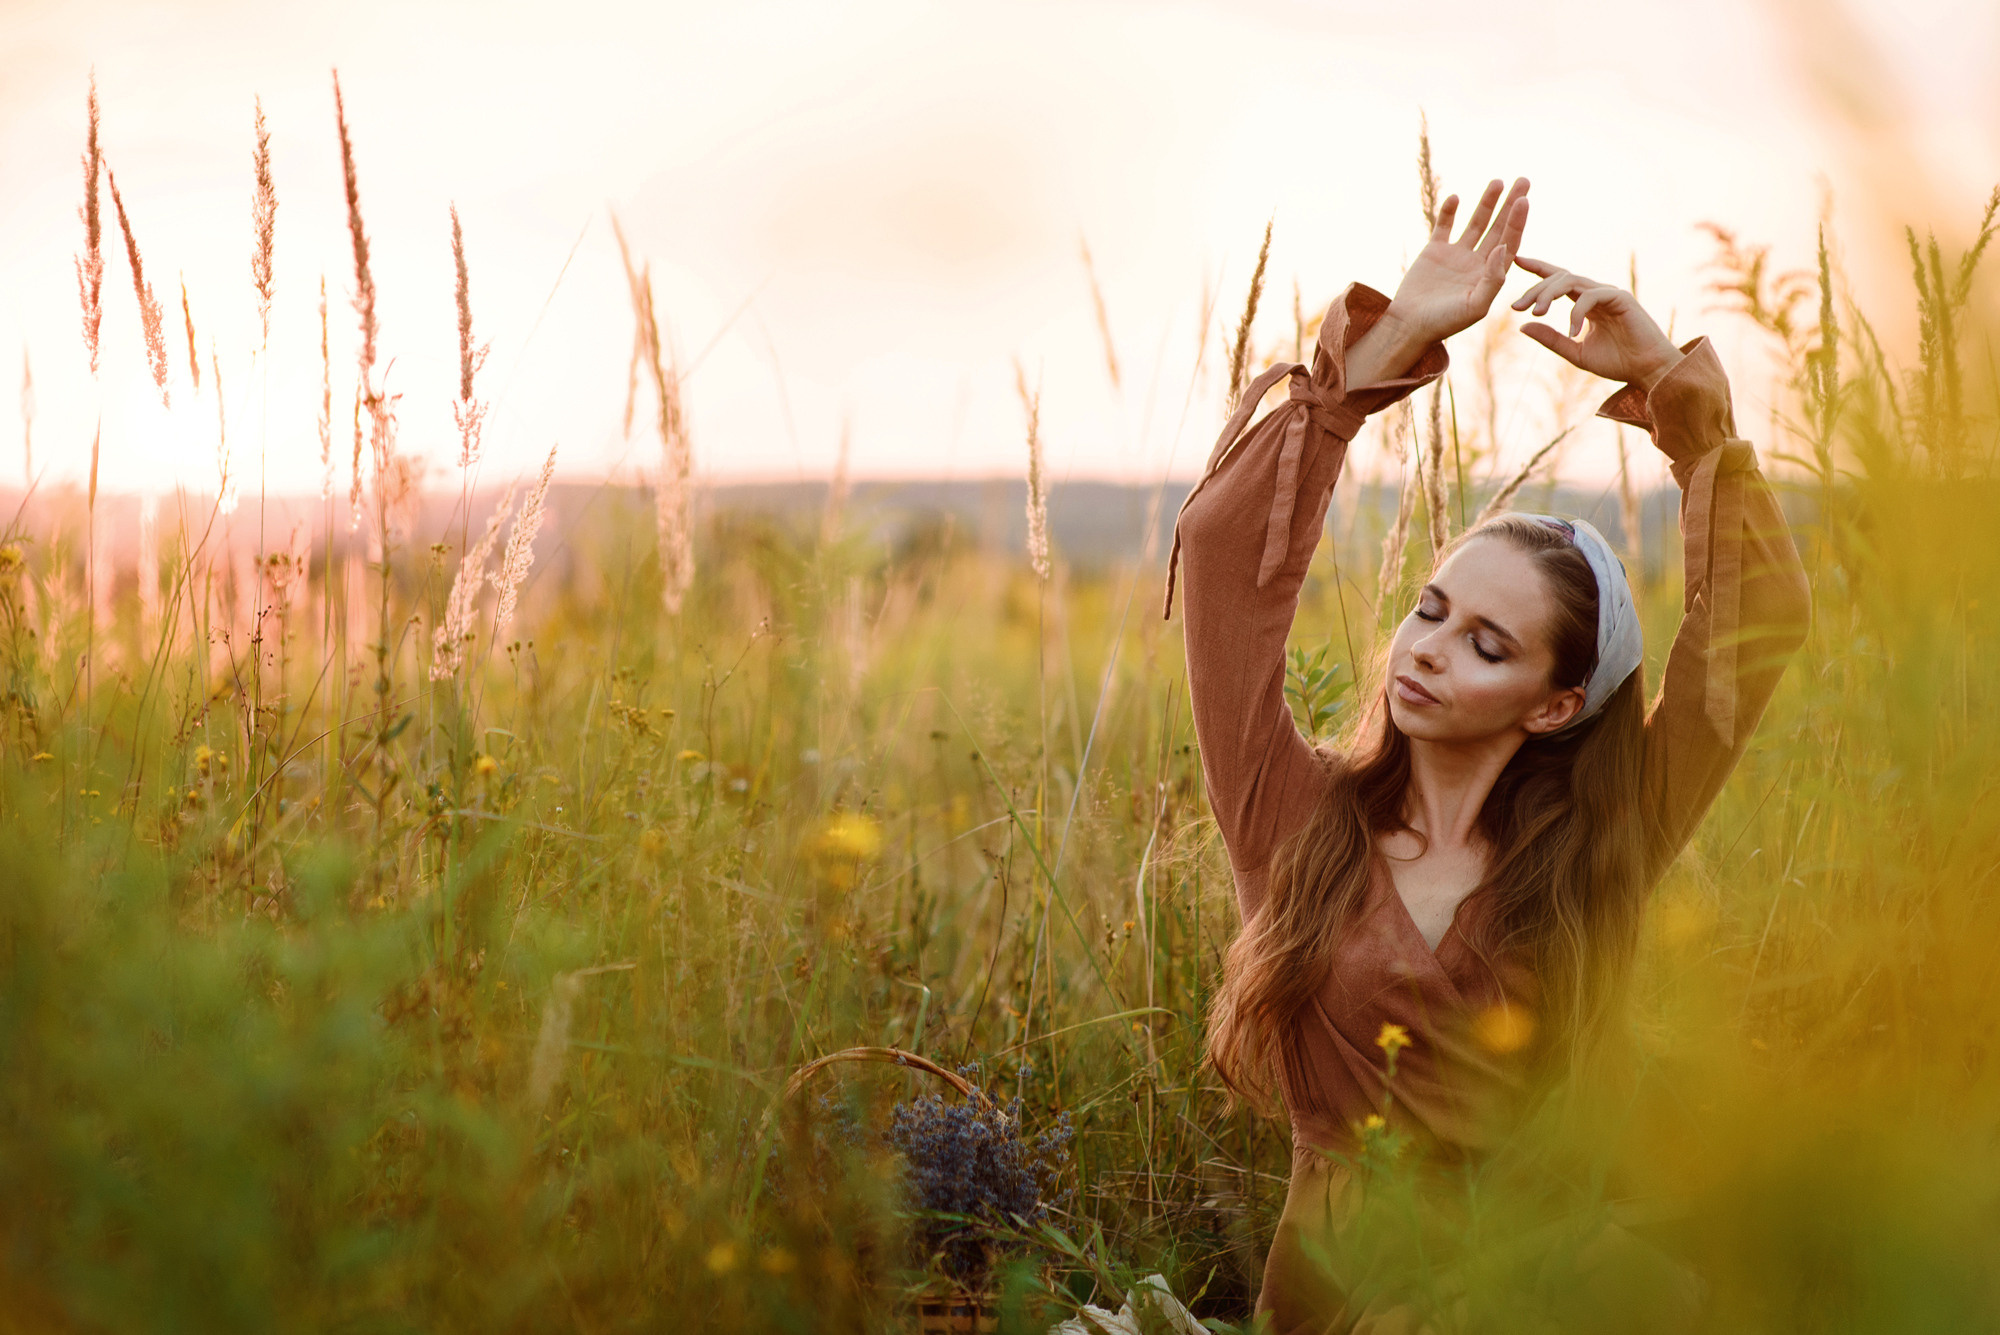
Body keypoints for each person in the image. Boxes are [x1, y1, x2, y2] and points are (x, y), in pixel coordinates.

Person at [1164, 177, 1811, 1331]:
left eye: (1484, 644)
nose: (1423, 652)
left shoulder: (1604, 839)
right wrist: (1385, 350)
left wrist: (1675, 397)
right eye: (1427, 609)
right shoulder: (1293, 816)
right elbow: (1220, 567)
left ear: (1555, 706)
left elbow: (1750, 629)